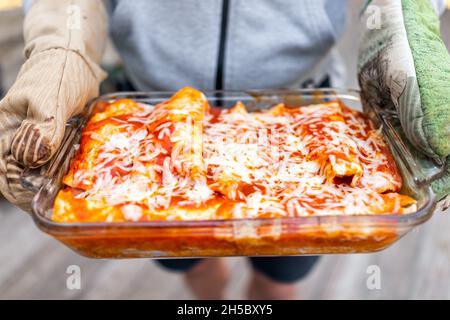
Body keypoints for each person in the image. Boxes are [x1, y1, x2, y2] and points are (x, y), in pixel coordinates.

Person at [0, 0, 449, 299]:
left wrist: (401, 21)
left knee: (280, 282)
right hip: (145, 127)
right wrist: (60, 51)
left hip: (312, 119)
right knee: (196, 267)